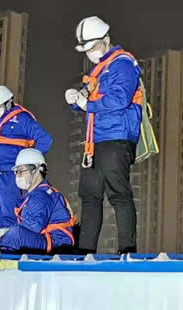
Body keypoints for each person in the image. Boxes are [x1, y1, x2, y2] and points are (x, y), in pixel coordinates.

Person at [65, 16, 141, 254]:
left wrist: (87, 104)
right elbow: (90, 100)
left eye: (94, 47)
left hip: (116, 138)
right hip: (94, 141)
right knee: (90, 196)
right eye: (87, 50)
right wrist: (76, 100)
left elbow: (120, 99)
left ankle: (127, 250)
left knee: (118, 194)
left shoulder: (123, 64)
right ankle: (85, 251)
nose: (91, 53)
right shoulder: (98, 70)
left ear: (106, 39)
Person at [0, 85, 53, 245]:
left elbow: (45, 139)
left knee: (9, 212)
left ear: (8, 103)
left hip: (10, 174)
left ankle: (9, 246)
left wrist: (28, 163)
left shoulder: (22, 119)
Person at [0, 149, 75, 253]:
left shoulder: (42, 196)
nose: (18, 176)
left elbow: (34, 226)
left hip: (56, 243)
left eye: (21, 171)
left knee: (16, 235)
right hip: (45, 239)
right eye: (16, 172)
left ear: (37, 171)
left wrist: (7, 233)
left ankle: (3, 257)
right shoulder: (34, 195)